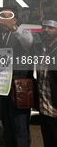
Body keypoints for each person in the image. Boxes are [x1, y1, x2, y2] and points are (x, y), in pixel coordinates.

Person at [0, 7, 33, 147]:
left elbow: (28, 41)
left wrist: (14, 28)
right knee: (6, 123)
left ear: (14, 20)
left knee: (20, 125)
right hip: (2, 87)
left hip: (18, 86)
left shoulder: (21, 34)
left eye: (3, 16)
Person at [33, 19, 57, 147]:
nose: (46, 30)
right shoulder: (40, 49)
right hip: (44, 108)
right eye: (44, 27)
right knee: (48, 141)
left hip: (55, 108)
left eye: (51, 28)